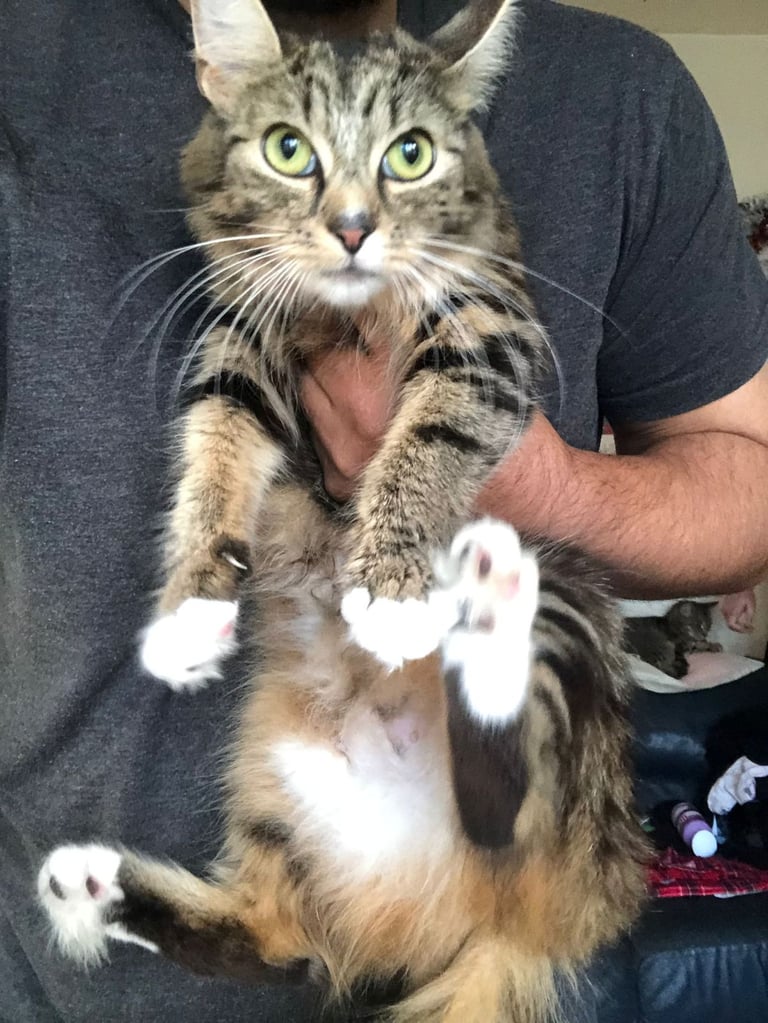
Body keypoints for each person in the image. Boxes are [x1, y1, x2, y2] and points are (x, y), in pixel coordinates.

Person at [1, 1, 766, 1022]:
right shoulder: (24, 55)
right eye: (291, 152)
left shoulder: (621, 94)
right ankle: (250, 922)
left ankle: (486, 765)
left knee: (541, 614)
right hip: (73, 981)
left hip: (480, 856)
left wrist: (528, 491)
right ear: (213, 73)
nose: (352, 217)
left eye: (406, 156)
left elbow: (748, 484)